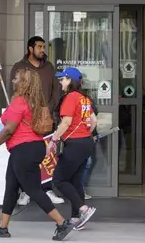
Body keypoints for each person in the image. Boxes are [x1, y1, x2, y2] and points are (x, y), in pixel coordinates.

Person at [0, 68, 74, 241]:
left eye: (16, 78)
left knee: (33, 190)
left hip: (23, 149)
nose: (13, 80)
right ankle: (3, 227)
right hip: (33, 147)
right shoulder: (35, 102)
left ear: (24, 82)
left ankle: (62, 223)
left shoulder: (20, 102)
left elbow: (9, 130)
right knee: (11, 187)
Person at [10, 36, 64, 206]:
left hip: (46, 118)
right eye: (39, 47)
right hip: (25, 119)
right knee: (27, 156)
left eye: (43, 47)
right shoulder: (19, 67)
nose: (43, 50)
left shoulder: (49, 67)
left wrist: (49, 107)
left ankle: (47, 189)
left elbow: (56, 91)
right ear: (30, 49)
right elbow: (15, 90)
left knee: (47, 154)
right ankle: (26, 190)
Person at [50, 67, 97, 231]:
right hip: (86, 143)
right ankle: (77, 218)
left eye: (63, 79)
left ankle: (82, 209)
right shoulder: (84, 99)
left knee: (59, 179)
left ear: (70, 80)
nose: (61, 82)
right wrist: (85, 135)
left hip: (75, 144)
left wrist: (54, 139)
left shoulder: (70, 97)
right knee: (75, 180)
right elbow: (94, 121)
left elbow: (66, 122)